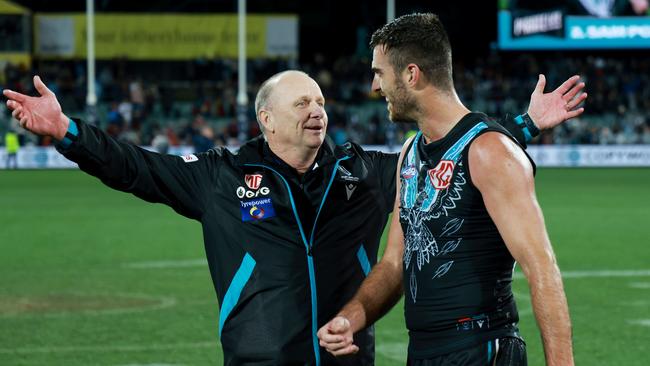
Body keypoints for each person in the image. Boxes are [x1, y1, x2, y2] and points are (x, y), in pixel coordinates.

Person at [4, 66, 583, 365]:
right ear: (267, 121)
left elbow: (449, 165)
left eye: (322, 102)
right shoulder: (220, 177)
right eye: (301, 103)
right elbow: (134, 167)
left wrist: (524, 127)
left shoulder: (364, 172)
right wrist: (66, 132)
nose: (317, 111)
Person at [318, 14, 581, 366]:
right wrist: (351, 318)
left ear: (411, 74)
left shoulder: (490, 151)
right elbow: (394, 263)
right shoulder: (409, 156)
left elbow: (541, 267)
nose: (374, 87)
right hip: (424, 353)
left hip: (482, 348)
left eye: (380, 73)